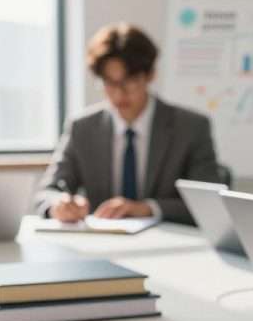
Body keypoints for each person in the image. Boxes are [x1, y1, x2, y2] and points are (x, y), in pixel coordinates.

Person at [34, 23, 220, 225]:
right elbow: (47, 193)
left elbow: (209, 203)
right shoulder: (82, 128)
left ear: (150, 75)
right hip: (101, 246)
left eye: (129, 81)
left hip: (170, 246)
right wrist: (60, 205)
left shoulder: (191, 128)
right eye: (109, 82)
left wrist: (147, 208)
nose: (119, 93)